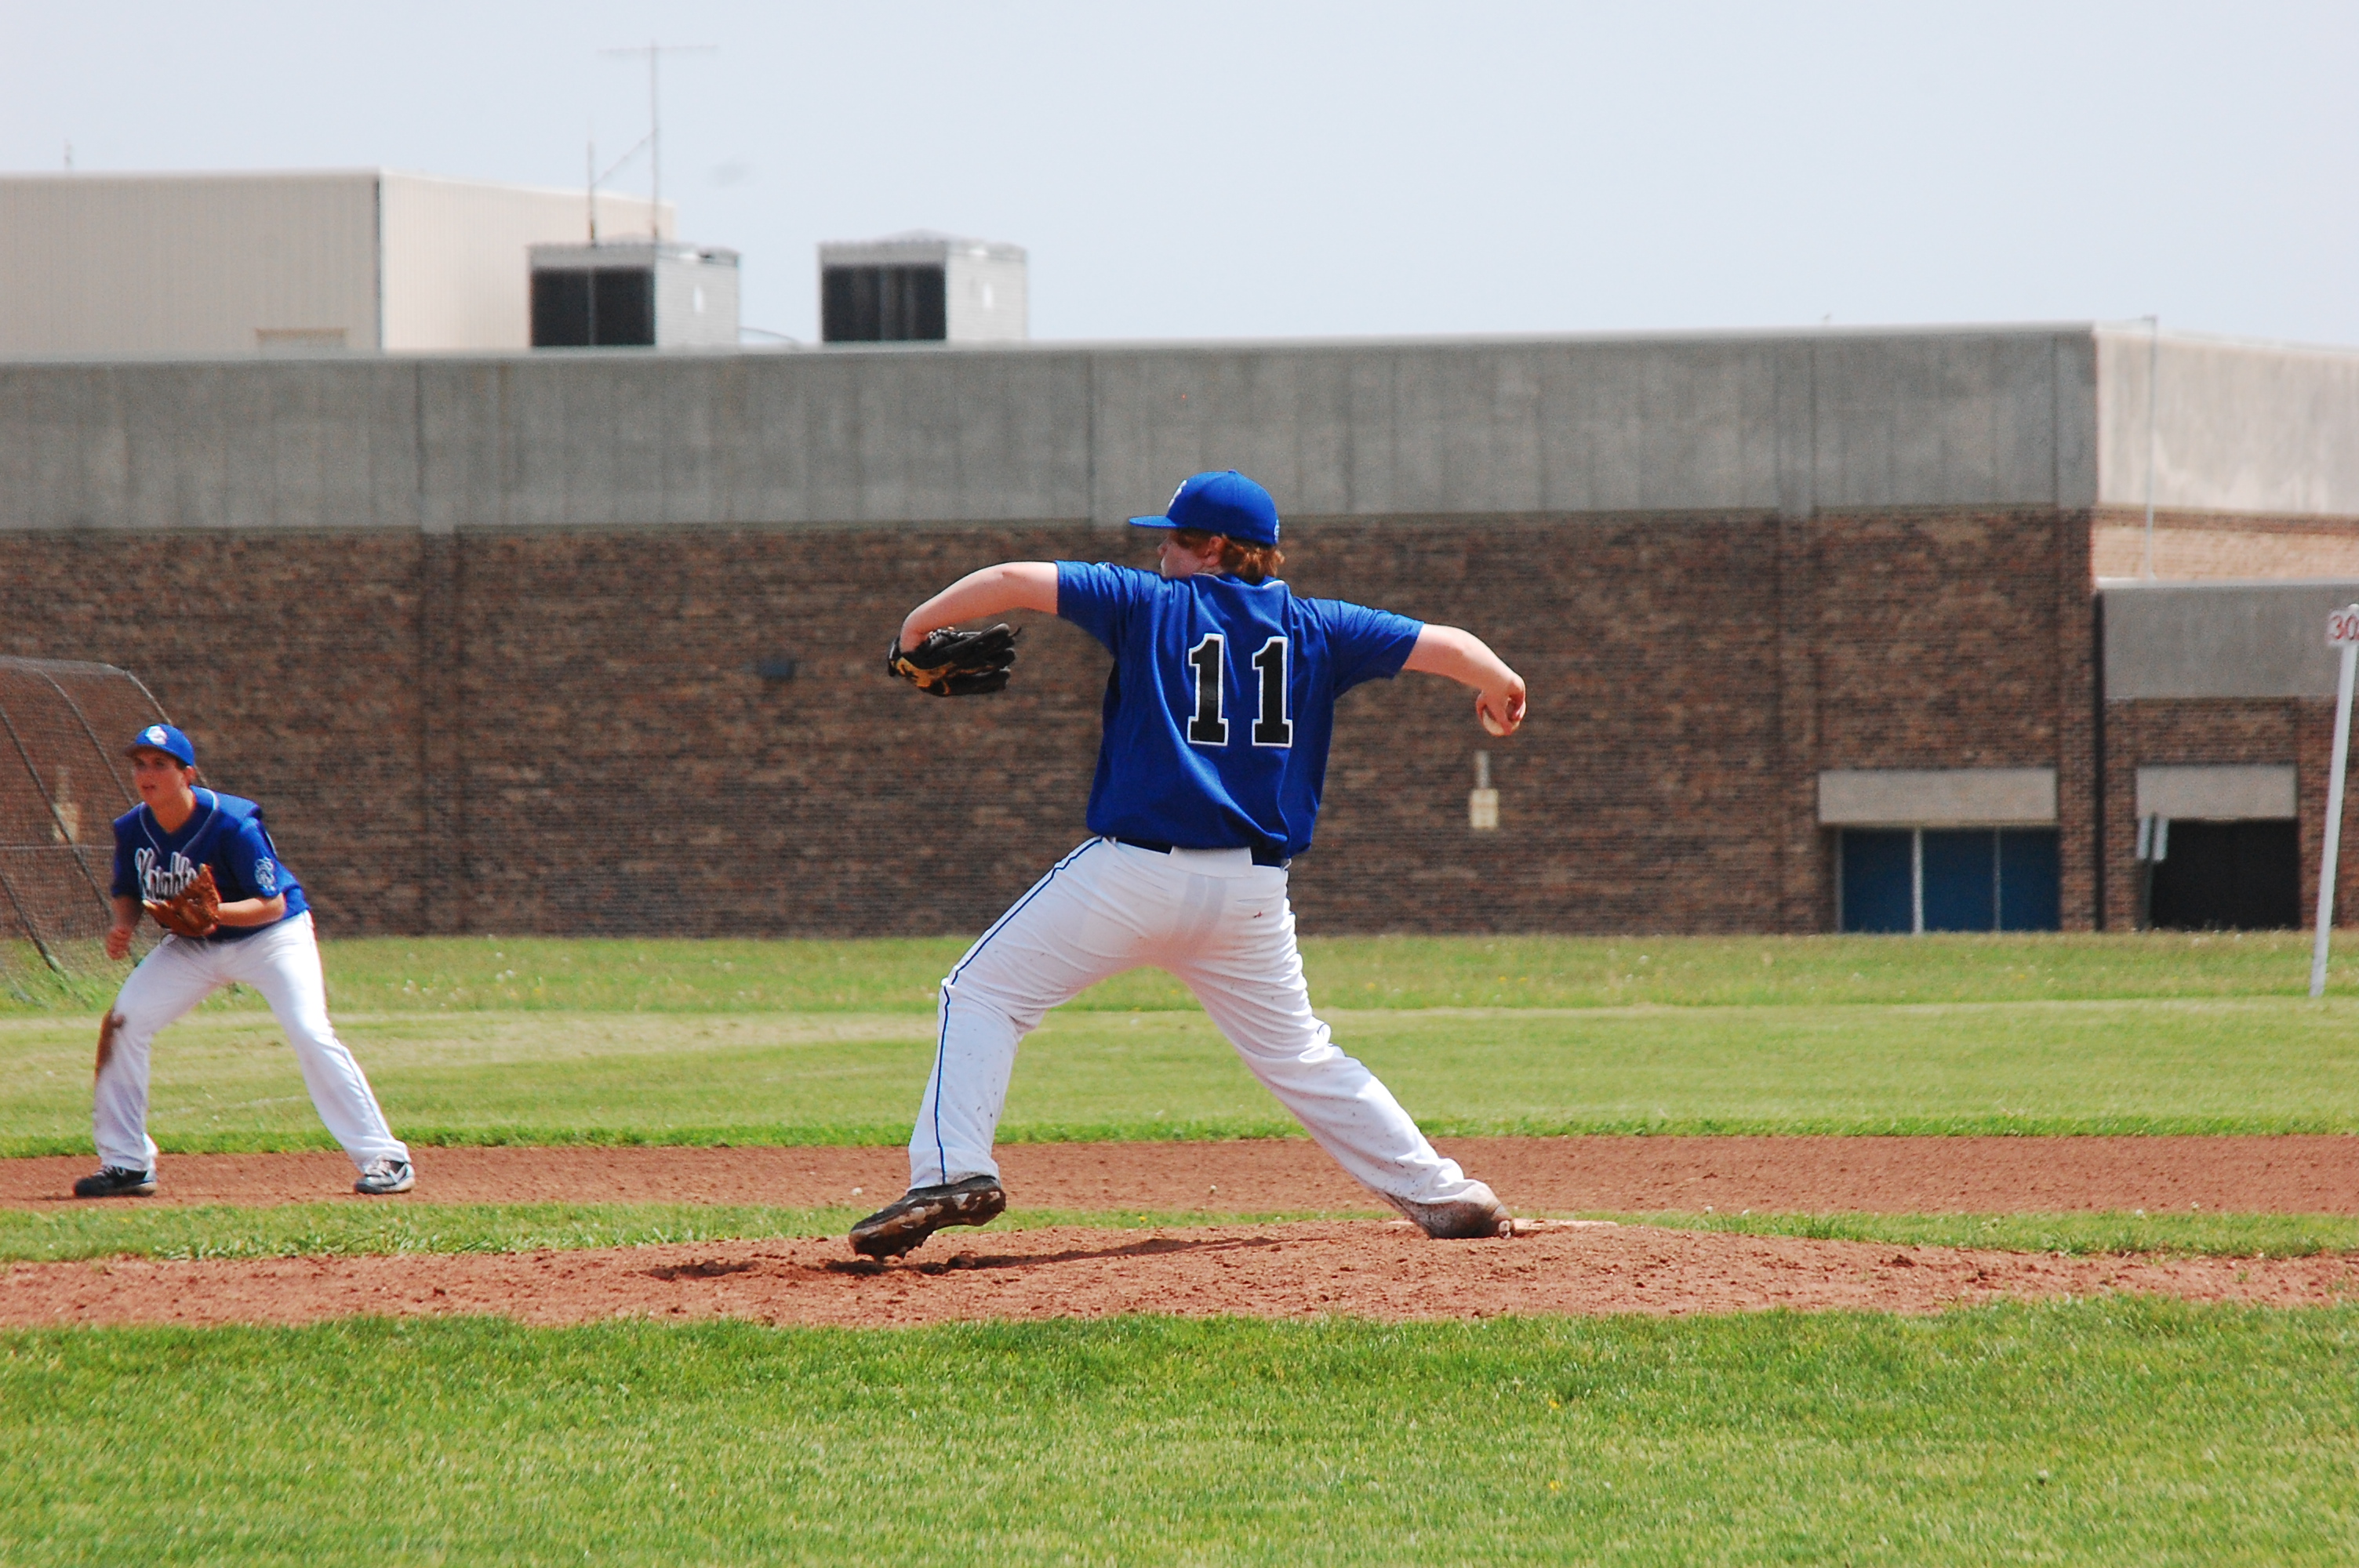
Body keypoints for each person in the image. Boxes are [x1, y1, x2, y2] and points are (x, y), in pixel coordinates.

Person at [854, 469, 1528, 1258]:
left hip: (1133, 879)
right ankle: (1446, 1195)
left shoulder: (1146, 602)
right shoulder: (1321, 625)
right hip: (1251, 895)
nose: (1161, 552)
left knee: (982, 993)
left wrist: (914, 629)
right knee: (1303, 1057)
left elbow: (1011, 580)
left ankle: (953, 1171)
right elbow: (1447, 645)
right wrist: (1500, 683)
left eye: (1174, 539)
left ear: (1213, 547)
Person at [71, 723, 414, 1198]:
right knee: (124, 1023)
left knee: (309, 1030)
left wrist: (214, 913)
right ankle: (127, 1164)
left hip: (271, 939)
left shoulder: (232, 823)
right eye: (140, 764)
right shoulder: (133, 829)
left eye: (160, 764)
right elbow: (127, 889)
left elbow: (271, 903)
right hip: (193, 946)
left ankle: (386, 1158)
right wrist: (124, 925)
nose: (147, 773)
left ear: (187, 774)